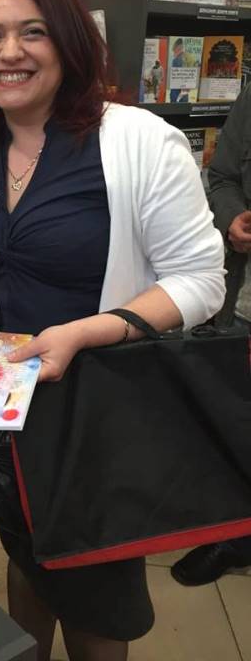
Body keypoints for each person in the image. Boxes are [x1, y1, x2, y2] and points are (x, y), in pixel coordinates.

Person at [0, 0, 225, 661]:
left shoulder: (137, 141)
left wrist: (84, 333)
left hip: (94, 422)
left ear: (69, 41)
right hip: (1, 415)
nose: (9, 52)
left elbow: (201, 280)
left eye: (32, 32)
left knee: (97, 599)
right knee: (25, 553)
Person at [171, 82, 251, 586]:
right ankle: (237, 537)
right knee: (238, 421)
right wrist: (233, 217)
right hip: (245, 306)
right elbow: (221, 176)